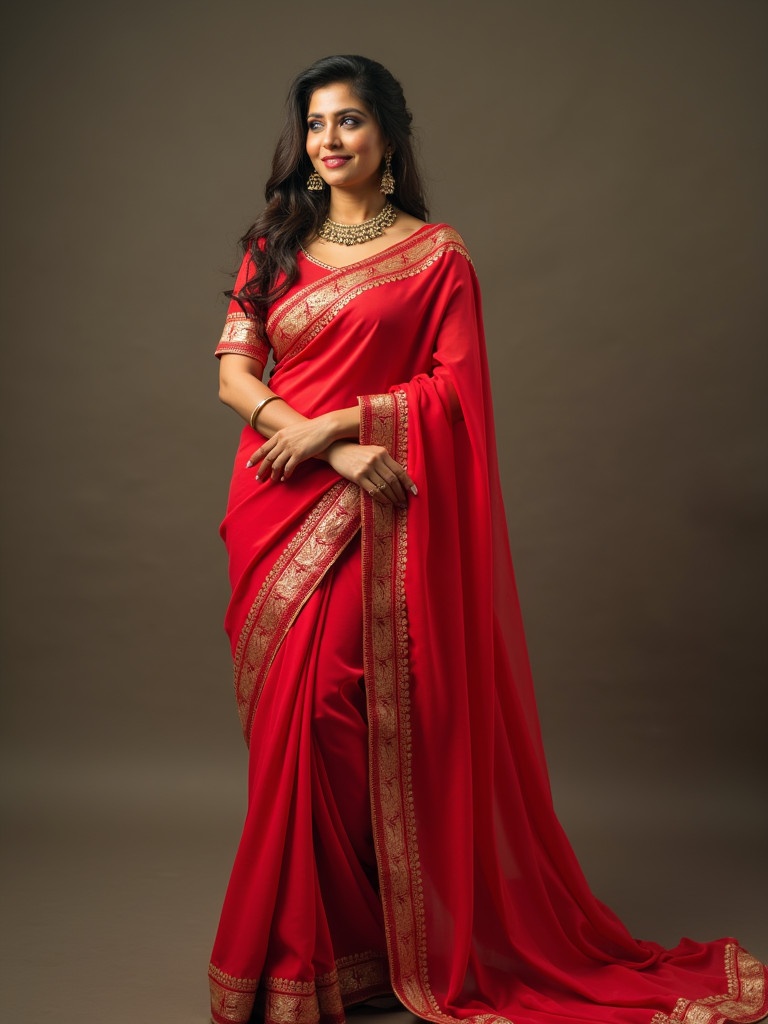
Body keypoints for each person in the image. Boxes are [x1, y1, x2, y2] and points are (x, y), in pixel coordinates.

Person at [208, 54, 766, 1024]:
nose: (328, 141)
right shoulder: (274, 243)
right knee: (284, 732)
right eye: (315, 125)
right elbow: (231, 375)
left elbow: (455, 396)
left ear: (388, 136)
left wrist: (337, 427)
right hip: (276, 506)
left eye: (348, 122)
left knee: (336, 718)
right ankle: (315, 960)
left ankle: (359, 946)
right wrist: (310, 444)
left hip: (368, 520)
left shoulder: (436, 256)